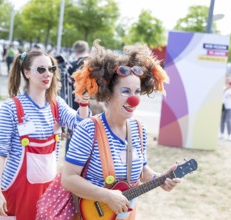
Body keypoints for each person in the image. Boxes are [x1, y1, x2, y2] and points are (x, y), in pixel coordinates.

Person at [61, 40, 181, 219]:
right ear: (108, 94)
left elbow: (141, 170)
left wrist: (160, 179)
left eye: (136, 92)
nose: (134, 100)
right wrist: (106, 195)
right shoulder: (88, 129)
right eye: (125, 91)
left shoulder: (139, 129)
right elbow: (68, 179)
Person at [0, 50, 90, 219]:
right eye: (41, 69)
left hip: (49, 190)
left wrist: (83, 103)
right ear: (27, 72)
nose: (48, 74)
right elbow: (0, 152)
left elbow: (81, 125)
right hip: (17, 191)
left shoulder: (56, 104)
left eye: (51, 69)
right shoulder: (11, 107)